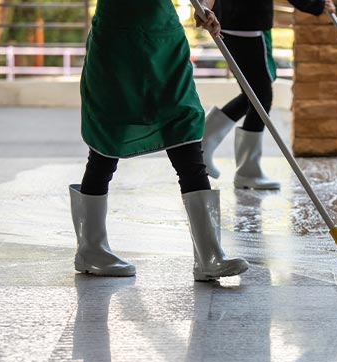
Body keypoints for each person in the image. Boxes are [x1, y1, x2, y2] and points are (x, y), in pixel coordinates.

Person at [69, 0, 249, 281]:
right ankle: (91, 249)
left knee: (185, 132)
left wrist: (205, 9)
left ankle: (209, 256)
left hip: (164, 43)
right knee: (107, 143)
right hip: (118, 44)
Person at [202, 0, 336, 189]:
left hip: (229, 21)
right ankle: (248, 170)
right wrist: (316, 4)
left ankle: (204, 146)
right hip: (249, 23)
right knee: (261, 98)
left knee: (252, 95)